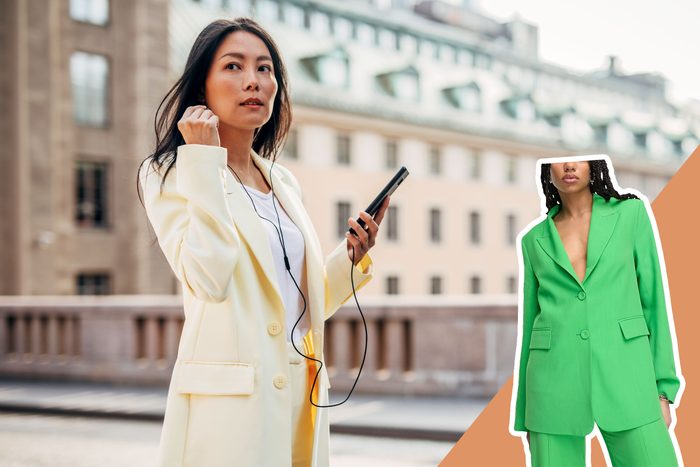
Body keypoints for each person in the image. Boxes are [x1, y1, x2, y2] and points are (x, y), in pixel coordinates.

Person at [136, 17, 389, 467]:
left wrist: (350, 258)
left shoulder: (283, 181)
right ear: (202, 89)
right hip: (230, 414)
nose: (253, 81)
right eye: (233, 67)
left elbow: (292, 305)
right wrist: (202, 160)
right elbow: (209, 278)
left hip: (299, 398)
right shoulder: (169, 173)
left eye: (264, 68)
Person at [510, 157, 683, 466]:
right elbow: (530, 330)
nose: (569, 167)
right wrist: (526, 414)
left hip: (628, 378)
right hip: (551, 386)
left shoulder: (631, 214)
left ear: (593, 164)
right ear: (546, 169)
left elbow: (654, 303)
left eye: (578, 159)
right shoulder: (533, 241)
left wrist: (663, 390)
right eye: (560, 161)